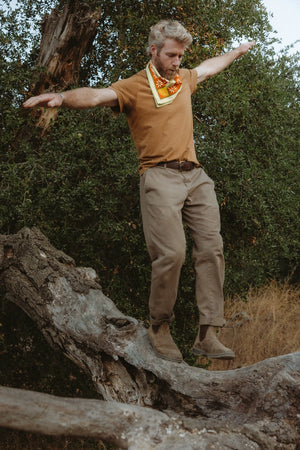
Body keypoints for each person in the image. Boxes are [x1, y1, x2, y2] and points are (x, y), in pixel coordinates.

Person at [23, 20, 255, 363]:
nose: (178, 61)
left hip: (197, 176)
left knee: (212, 249)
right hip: (159, 177)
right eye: (172, 55)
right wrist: (62, 98)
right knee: (172, 254)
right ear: (154, 51)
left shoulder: (183, 79)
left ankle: (208, 334)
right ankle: (160, 327)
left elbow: (209, 67)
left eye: (181, 55)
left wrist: (236, 52)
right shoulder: (134, 87)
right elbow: (97, 96)